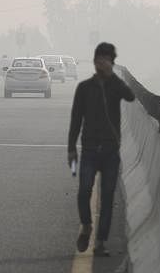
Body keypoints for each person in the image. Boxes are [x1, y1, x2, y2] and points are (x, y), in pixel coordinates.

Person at [67, 42, 134, 257]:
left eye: (104, 60)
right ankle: (86, 226)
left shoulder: (116, 86)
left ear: (111, 62)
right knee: (84, 191)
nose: (99, 63)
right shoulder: (84, 88)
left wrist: (112, 77)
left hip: (110, 152)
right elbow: (76, 119)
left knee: (107, 197)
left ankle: (101, 242)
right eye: (97, 60)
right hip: (88, 150)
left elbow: (131, 96)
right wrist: (71, 149)